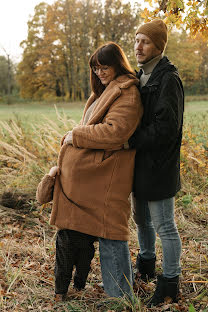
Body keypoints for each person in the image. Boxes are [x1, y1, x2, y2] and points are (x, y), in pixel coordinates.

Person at [41, 42, 143, 300]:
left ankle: (121, 298)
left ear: (118, 64)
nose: (99, 72)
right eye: (95, 68)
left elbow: (114, 132)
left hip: (106, 177)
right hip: (92, 180)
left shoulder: (127, 93)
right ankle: (81, 288)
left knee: (111, 234)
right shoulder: (104, 91)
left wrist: (75, 136)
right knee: (82, 235)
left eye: (104, 67)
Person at [129, 19, 184, 307]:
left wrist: (130, 139)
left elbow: (167, 128)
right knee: (141, 221)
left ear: (158, 46)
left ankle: (169, 284)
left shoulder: (167, 78)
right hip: (139, 165)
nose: (138, 46)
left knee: (165, 226)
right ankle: (146, 268)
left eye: (145, 41)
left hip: (159, 166)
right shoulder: (141, 76)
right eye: (136, 40)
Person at [36, 165, 96, 301]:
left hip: (79, 227)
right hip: (79, 228)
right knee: (77, 261)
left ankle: (66, 291)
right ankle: (67, 291)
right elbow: (42, 197)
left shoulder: (63, 169)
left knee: (74, 262)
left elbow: (42, 197)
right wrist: (51, 176)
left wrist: (51, 174)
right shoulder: (64, 171)